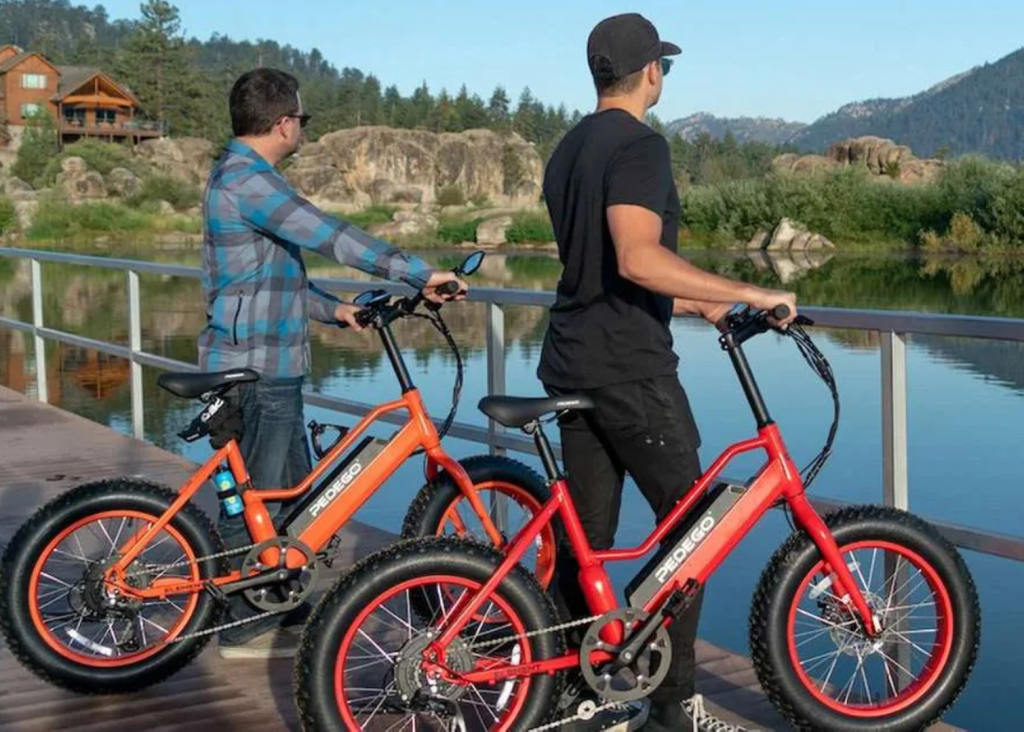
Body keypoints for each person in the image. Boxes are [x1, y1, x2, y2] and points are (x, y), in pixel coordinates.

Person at [537, 13, 797, 731]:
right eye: (665, 68)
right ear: (651, 72)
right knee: (693, 528)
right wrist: (749, 293)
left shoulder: (569, 149)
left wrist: (698, 304)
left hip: (571, 358)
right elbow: (633, 257)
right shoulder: (641, 145)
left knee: (585, 538)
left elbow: (598, 269)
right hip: (628, 367)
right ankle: (672, 705)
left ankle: (572, 690)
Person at [197, 67, 466, 659]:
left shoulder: (239, 177)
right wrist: (418, 272)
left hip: (266, 362)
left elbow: (264, 282)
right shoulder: (252, 180)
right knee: (263, 499)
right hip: (258, 369)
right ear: (283, 122)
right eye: (302, 120)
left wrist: (335, 310)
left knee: (288, 499)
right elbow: (330, 235)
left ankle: (281, 603)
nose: (302, 130)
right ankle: (244, 623)